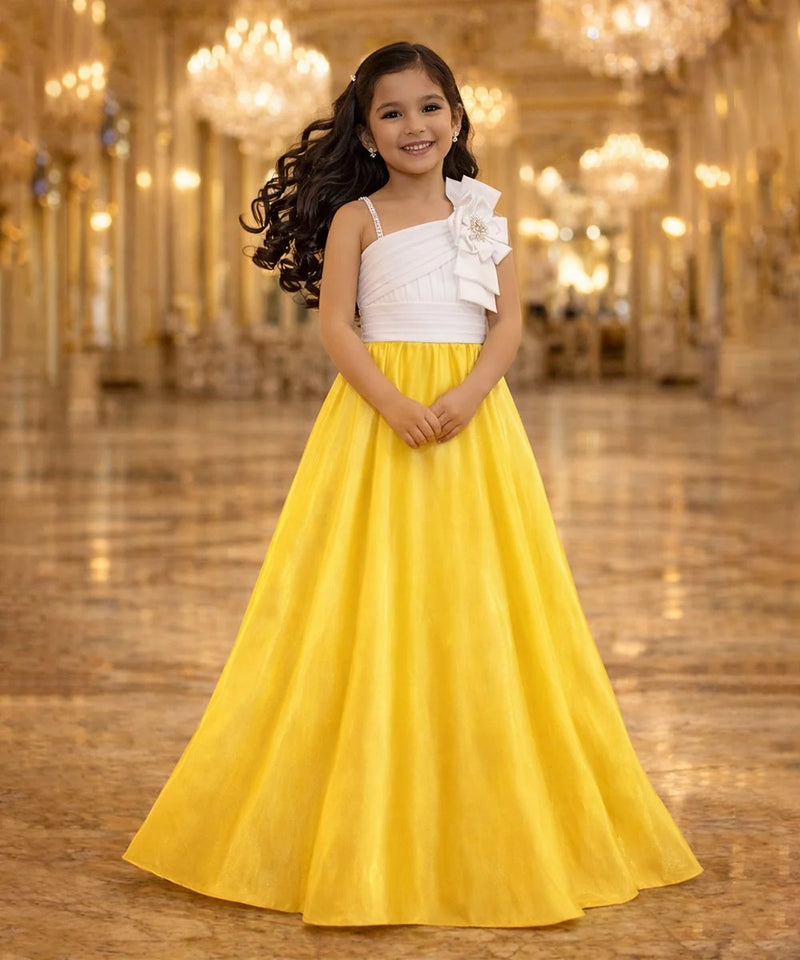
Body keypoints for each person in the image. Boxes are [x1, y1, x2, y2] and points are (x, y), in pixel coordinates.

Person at [122, 41, 702, 928]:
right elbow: (338, 328)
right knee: (362, 596)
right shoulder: (360, 218)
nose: (414, 125)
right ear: (365, 131)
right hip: (375, 419)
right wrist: (392, 402)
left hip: (473, 426)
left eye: (429, 108)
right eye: (391, 112)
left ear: (458, 118)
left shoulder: (484, 215)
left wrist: (467, 394)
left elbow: (505, 328)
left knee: (478, 596)